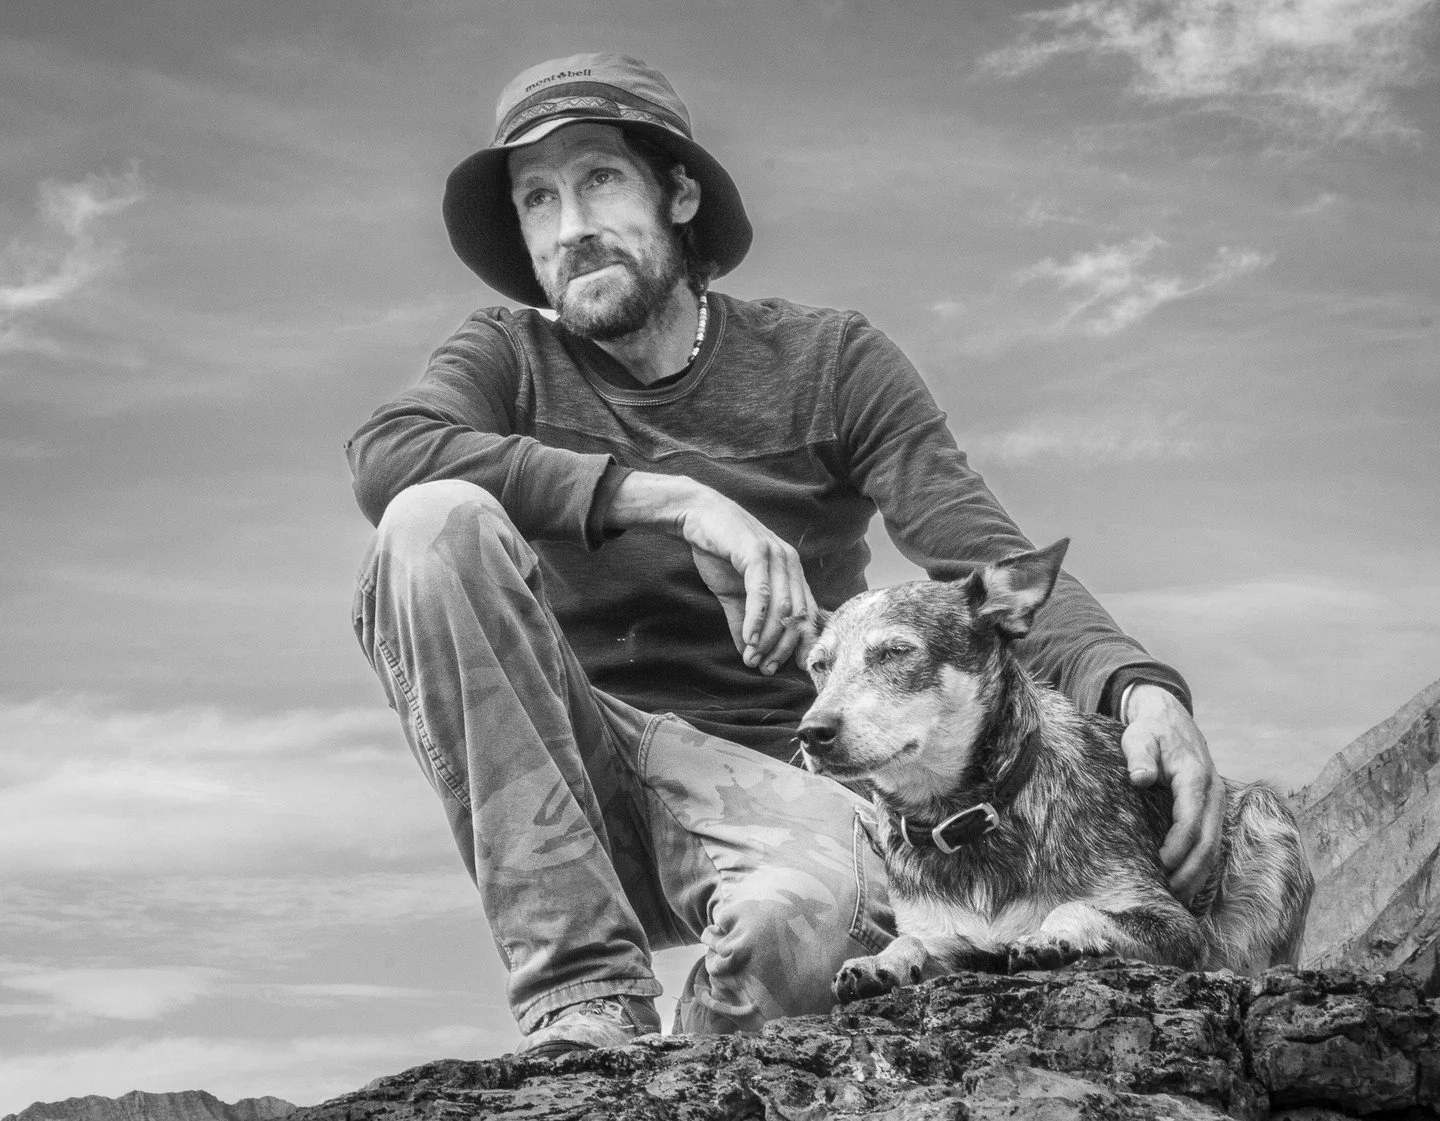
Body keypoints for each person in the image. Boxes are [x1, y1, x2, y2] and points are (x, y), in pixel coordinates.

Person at [346, 52, 1225, 1058]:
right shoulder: (505, 354)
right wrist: (672, 500)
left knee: (794, 943)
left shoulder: (830, 363)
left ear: (678, 193)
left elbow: (976, 551)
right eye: (536, 199)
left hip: (794, 780)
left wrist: (1139, 687)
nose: (568, 225)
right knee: (430, 523)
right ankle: (582, 1010)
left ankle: (671, 1073)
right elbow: (386, 457)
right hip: (566, 781)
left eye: (598, 179)